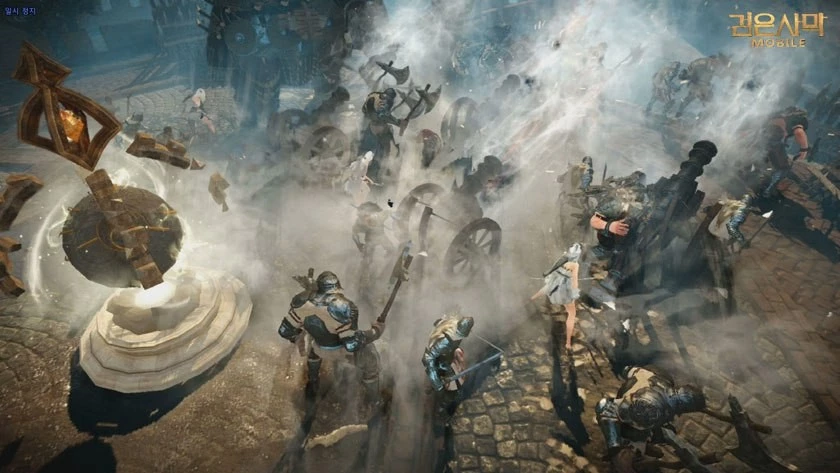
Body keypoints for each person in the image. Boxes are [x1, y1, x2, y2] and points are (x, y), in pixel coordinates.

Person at [278, 271, 385, 405]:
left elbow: (284, 331)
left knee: (311, 336)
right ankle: (374, 400)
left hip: (318, 348)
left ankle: (313, 381)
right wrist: (376, 331)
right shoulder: (344, 307)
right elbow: (351, 345)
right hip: (341, 351)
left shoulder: (301, 303)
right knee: (370, 354)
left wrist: (297, 337)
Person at [596, 366, 707, 470]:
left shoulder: (662, 383)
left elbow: (627, 370)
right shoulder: (650, 406)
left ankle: (638, 445)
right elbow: (607, 408)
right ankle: (628, 449)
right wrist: (615, 449)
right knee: (627, 455)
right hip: (626, 417)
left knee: (664, 432)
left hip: (634, 400)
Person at [531, 243, 582, 350]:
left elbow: (553, 269)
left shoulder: (563, 257)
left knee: (546, 288)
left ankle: (530, 300)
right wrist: (575, 293)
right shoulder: (575, 265)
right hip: (564, 291)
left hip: (553, 285)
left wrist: (549, 275)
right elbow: (574, 281)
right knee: (572, 314)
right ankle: (568, 343)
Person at [761, 107, 809, 197]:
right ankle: (768, 191)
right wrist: (804, 150)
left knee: (764, 158)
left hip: (761, 137)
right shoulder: (798, 120)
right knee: (783, 168)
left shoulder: (779, 113)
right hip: (771, 140)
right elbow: (799, 132)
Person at [359, 88, 406, 182]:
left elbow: (383, 115)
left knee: (382, 153)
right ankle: (371, 175)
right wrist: (397, 122)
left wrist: (398, 122)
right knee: (373, 154)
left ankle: (376, 174)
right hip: (374, 129)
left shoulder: (376, 97)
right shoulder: (379, 100)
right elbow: (380, 115)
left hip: (374, 128)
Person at [674, 53, 731, 118]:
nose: (716, 64)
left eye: (717, 63)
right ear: (712, 60)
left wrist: (730, 72)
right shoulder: (702, 63)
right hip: (695, 84)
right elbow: (692, 66)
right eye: (715, 62)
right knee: (694, 96)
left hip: (703, 85)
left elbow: (721, 75)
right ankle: (679, 113)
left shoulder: (713, 68)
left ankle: (713, 112)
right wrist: (687, 75)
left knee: (708, 98)